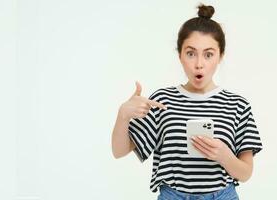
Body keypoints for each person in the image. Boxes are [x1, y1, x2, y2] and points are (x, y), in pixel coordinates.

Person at [111, 4, 263, 200]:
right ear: (180, 55)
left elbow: (245, 173)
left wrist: (224, 156)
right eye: (191, 53)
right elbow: (119, 151)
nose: (199, 64)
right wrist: (123, 115)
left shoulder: (237, 105)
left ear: (220, 57)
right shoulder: (162, 100)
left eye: (208, 54)